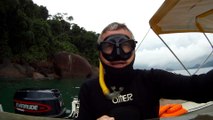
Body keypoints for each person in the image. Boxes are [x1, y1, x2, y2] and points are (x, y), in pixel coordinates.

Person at [76, 22, 213, 120]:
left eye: (125, 46)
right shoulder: (89, 89)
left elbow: (200, 89)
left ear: (133, 49)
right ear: (99, 52)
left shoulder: (151, 79)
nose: (118, 53)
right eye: (108, 47)